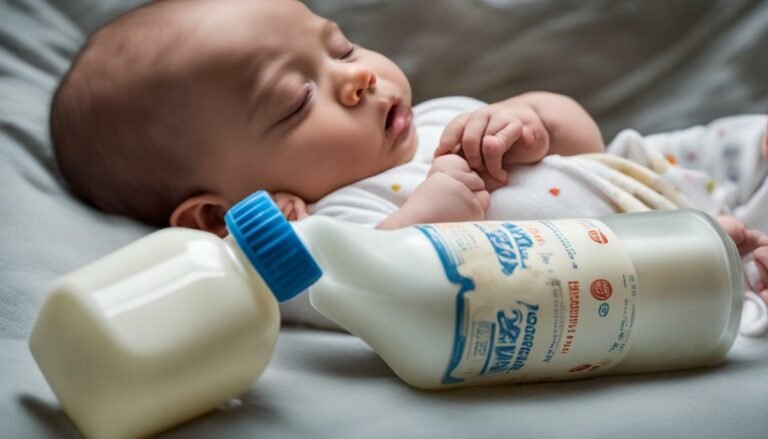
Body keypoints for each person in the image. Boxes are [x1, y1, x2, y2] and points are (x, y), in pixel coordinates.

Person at [50, 0, 768, 315]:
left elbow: (587, 142)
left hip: (668, 174)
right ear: (223, 215)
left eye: (341, 47)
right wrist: (429, 216)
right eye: (299, 100)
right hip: (656, 267)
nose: (358, 76)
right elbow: (363, 293)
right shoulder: (327, 232)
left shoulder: (434, 117)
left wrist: (534, 120)